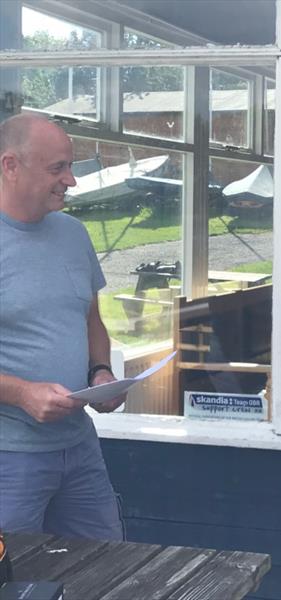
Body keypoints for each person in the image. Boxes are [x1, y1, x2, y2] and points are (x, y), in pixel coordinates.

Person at [0, 113, 124, 540]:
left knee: (107, 567)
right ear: (10, 165)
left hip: (79, 449)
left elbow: (91, 318)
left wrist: (100, 372)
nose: (70, 180)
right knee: (11, 577)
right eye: (57, 168)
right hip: (9, 458)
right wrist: (21, 393)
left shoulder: (74, 233)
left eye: (70, 166)